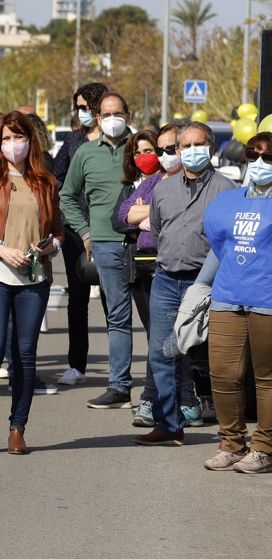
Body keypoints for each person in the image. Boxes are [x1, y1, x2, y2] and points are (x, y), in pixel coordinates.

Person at [0, 112, 62, 455]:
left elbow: (58, 229)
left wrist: (53, 245)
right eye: (5, 139)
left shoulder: (45, 181)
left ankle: (18, 429)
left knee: (25, 355)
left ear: (31, 141)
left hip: (33, 276)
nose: (12, 145)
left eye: (19, 138)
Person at [142, 121, 236, 444]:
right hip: (167, 280)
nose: (192, 151)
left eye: (199, 145)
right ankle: (169, 425)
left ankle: (231, 432)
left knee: (215, 358)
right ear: (178, 150)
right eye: (186, 146)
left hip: (207, 283)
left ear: (210, 149)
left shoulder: (226, 190)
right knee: (160, 354)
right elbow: (157, 231)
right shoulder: (163, 189)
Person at [198, 131, 272, 473]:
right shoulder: (227, 203)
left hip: (267, 301)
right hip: (227, 297)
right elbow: (218, 242)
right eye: (252, 156)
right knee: (223, 375)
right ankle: (231, 443)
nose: (259, 163)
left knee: (266, 378)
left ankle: (264, 448)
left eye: (268, 157)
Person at [58, 91, 137, 409]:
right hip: (104, 244)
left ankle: (166, 389)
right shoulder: (86, 152)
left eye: (118, 113)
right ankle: (119, 387)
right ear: (98, 118)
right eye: (106, 115)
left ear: (128, 116)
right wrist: (86, 232)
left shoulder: (144, 148)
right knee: (118, 317)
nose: (112, 119)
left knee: (159, 318)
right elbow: (67, 195)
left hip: (145, 245)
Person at [115, 125, 196, 428]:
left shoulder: (199, 183)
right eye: (159, 149)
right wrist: (153, 212)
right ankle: (153, 400)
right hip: (149, 267)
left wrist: (148, 214)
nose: (164, 156)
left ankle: (187, 399)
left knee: (181, 339)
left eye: (169, 149)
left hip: (187, 268)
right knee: (159, 340)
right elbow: (124, 214)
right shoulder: (153, 183)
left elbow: (188, 218)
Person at [52, 82, 110, 387]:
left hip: (110, 229)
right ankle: (77, 364)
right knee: (77, 298)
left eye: (86, 107)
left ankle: (120, 367)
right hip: (75, 230)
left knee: (112, 299)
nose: (81, 112)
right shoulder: (73, 141)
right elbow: (56, 175)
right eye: (78, 107)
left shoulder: (118, 140)